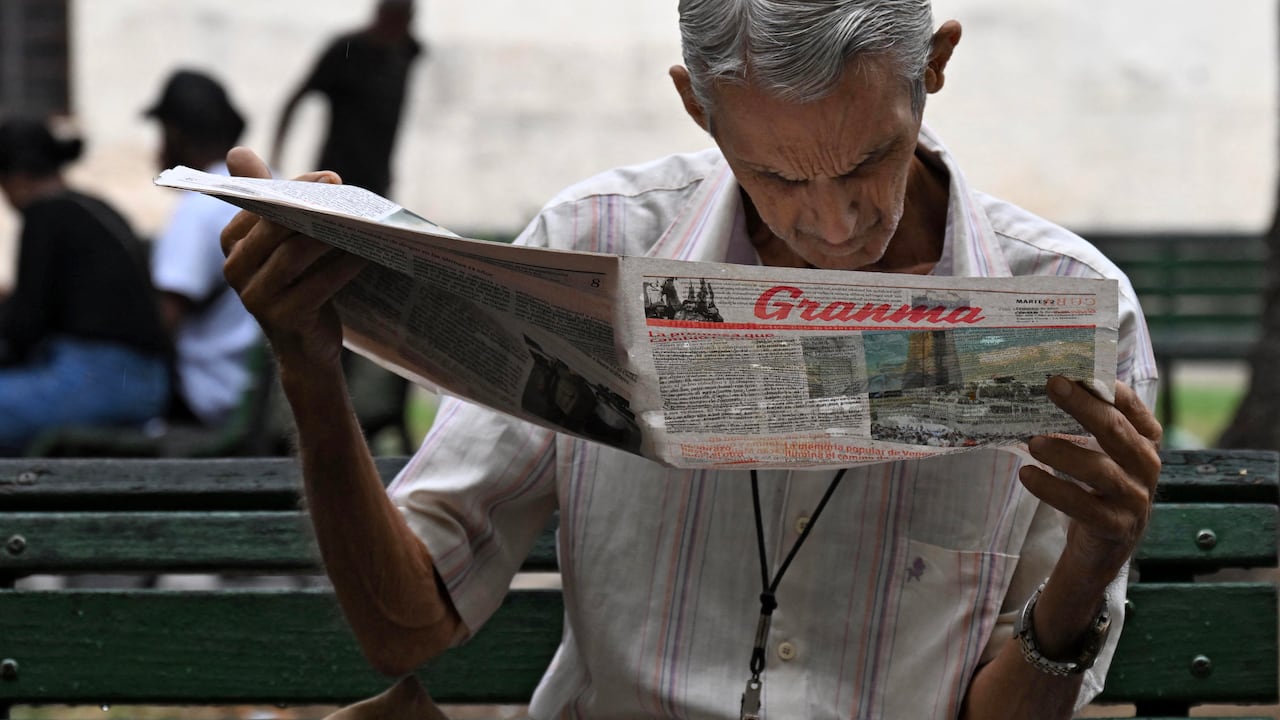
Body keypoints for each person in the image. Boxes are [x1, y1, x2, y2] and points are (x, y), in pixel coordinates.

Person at [220, 1, 1163, 718]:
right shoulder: (596, 243)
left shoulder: (1069, 307)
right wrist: (309, 366)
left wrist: (1090, 565)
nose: (833, 224)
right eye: (778, 175)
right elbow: (406, 626)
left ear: (937, 67)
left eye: (871, 160)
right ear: (695, 107)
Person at [0, 117, 170, 454]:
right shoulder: (92, 206)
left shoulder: (43, 215)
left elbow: (24, 328)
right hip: (147, 382)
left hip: (100, 379)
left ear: (17, 179)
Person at [145, 69, 262, 427]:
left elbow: (166, 317)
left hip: (206, 393)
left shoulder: (201, 203)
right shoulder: (267, 183)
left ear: (175, 134)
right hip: (259, 390)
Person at [271, 0, 423, 198]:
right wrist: (276, 156)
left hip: (378, 177)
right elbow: (296, 98)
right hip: (337, 172)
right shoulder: (348, 49)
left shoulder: (408, 51)